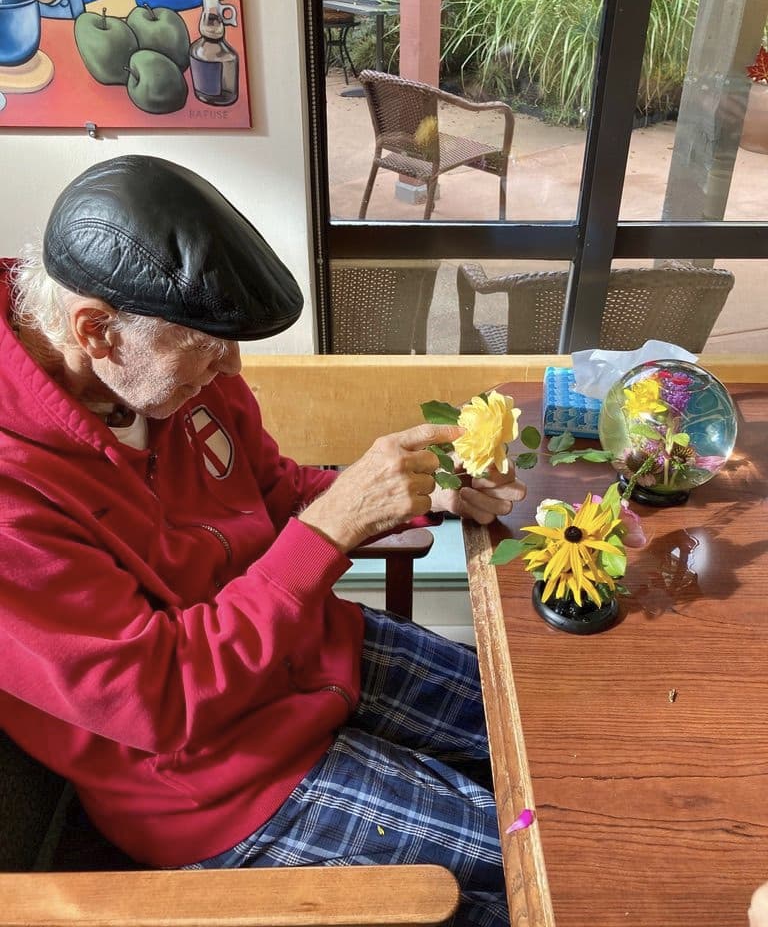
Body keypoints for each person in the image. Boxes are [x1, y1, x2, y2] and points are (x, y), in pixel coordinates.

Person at [0, 155, 526, 927]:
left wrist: (420, 495)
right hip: (216, 781)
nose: (232, 369)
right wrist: (331, 527)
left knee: (542, 730)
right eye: (205, 345)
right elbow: (161, 698)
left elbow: (275, 493)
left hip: (307, 652)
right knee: (539, 855)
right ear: (96, 330)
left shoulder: (176, 380)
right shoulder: (16, 497)